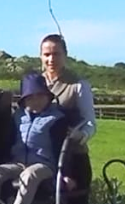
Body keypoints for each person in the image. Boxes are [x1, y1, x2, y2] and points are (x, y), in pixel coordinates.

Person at [0, 72, 68, 204]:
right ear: (24, 100)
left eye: (40, 95)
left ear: (48, 97)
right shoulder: (18, 117)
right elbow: (8, 141)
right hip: (18, 162)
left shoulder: (56, 119)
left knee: (29, 175)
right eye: (30, 97)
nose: (36, 100)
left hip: (45, 164)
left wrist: (66, 174)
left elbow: (64, 148)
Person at [40, 33, 96, 194]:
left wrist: (80, 135)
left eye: (56, 54)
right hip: (41, 159)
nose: (51, 59)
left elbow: (90, 123)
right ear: (40, 56)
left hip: (72, 160)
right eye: (47, 54)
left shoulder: (78, 85)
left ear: (65, 55)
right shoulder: (34, 84)